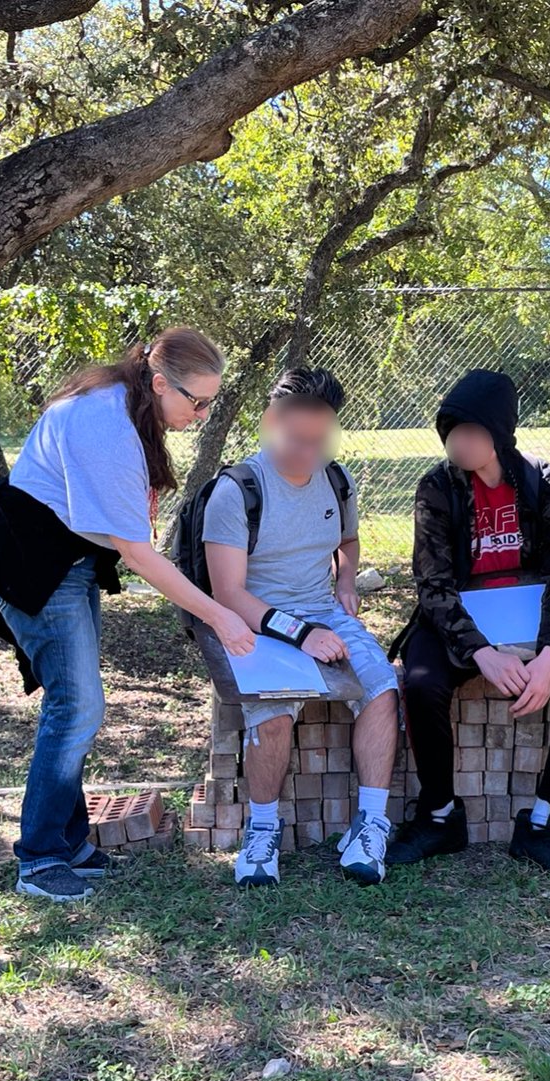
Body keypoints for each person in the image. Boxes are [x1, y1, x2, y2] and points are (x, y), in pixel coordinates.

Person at [0, 327, 254, 902]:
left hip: (65, 558)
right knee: (77, 705)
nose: (202, 415)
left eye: (210, 404)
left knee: (74, 704)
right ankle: (41, 856)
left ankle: (69, 842)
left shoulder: (129, 407)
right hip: (30, 561)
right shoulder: (107, 426)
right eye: (196, 402)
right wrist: (221, 616)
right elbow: (141, 555)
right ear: (158, 382)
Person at [387, 369, 550, 883]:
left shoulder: (544, 483)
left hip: (534, 620)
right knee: (421, 683)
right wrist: (482, 653)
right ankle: (440, 815)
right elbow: (433, 585)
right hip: (459, 622)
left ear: (500, 433)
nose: (457, 443)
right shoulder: (437, 488)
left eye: (471, 431)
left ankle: (543, 822)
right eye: (450, 431)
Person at [202, 367, 399, 887]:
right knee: (273, 711)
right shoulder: (237, 490)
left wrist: (347, 581)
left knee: (382, 687)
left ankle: (370, 825)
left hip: (325, 611)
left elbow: (347, 542)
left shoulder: (338, 480)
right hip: (259, 622)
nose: (307, 451)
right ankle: (262, 830)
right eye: (295, 438)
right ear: (270, 423)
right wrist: (302, 634)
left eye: (319, 439)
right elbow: (230, 596)